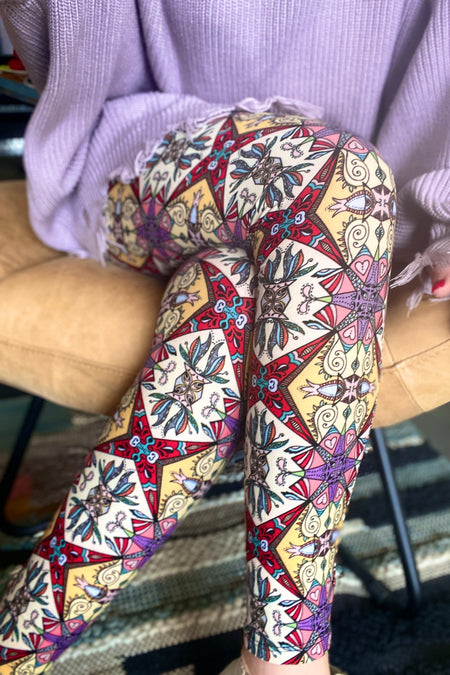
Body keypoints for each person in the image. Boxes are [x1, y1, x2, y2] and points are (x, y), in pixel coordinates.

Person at [0, 2, 448, 674]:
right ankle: (289, 664)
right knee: (335, 182)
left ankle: (15, 649)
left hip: (341, 226)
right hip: (151, 157)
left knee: (234, 297)